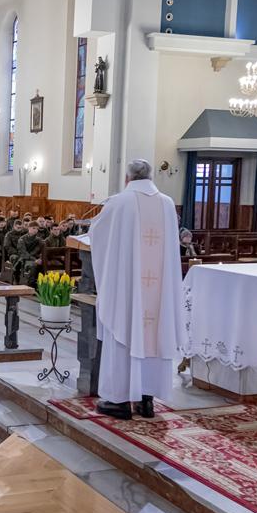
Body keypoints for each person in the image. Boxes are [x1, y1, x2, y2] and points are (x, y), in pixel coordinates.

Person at [87, 159, 186, 420]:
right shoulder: (167, 203)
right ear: (151, 176)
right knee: (153, 333)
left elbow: (98, 234)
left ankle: (119, 401)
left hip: (127, 289)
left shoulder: (119, 202)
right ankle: (146, 400)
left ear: (127, 178)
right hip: (158, 290)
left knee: (125, 330)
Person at [14, 221, 43, 286]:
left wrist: (40, 258)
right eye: (33, 228)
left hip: (36, 258)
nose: (35, 230)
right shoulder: (22, 239)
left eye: (37, 229)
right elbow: (24, 253)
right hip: (25, 259)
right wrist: (34, 260)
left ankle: (41, 283)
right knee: (33, 265)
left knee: (44, 264)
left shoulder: (39, 240)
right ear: (29, 228)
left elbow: (42, 250)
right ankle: (31, 284)